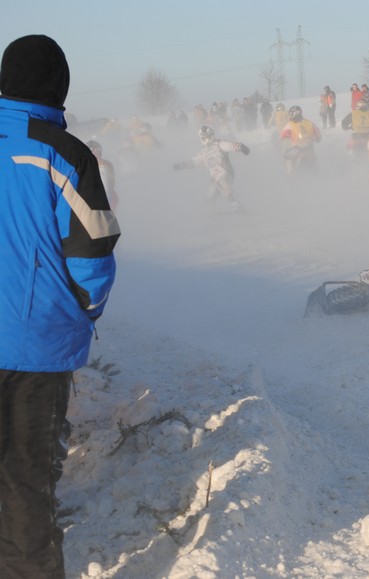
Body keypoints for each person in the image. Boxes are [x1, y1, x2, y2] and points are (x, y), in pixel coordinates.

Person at [0, 34, 120, 578]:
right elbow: (92, 258)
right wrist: (83, 312)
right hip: (35, 345)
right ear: (59, 85)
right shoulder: (64, 153)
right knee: (24, 477)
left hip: (31, 339)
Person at [173, 126, 250, 212]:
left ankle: (238, 206)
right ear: (201, 139)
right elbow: (194, 162)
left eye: (209, 137)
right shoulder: (203, 152)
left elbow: (230, 145)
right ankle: (211, 213)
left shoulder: (219, 144)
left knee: (222, 184)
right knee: (210, 197)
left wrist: (241, 147)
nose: (208, 140)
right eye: (205, 138)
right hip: (215, 178)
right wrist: (180, 166)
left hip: (226, 173)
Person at [279, 105, 322, 174]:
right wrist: (314, 139)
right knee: (314, 162)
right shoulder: (310, 123)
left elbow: (282, 137)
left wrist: (287, 137)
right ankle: (316, 173)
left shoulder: (290, 124)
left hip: (297, 148)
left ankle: (290, 175)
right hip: (309, 148)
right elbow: (319, 137)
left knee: (287, 157)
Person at [87, 140, 120, 210]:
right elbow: (112, 182)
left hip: (99, 201)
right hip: (109, 200)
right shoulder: (107, 163)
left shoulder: (90, 164)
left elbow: (106, 185)